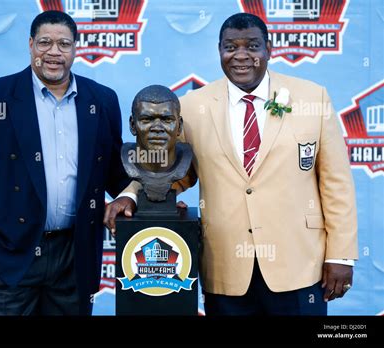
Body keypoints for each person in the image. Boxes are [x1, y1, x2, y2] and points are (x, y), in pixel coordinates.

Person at [105, 12, 358, 315]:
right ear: (219, 50)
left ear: (269, 49)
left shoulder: (312, 98)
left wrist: (341, 256)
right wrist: (130, 194)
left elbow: (336, 183)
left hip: (299, 267)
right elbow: (171, 168)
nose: (240, 56)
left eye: (252, 46)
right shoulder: (193, 106)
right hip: (226, 269)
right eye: (230, 47)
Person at [0, 10, 130, 315]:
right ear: (31, 44)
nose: (54, 53)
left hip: (74, 258)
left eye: (64, 44)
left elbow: (113, 169)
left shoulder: (102, 100)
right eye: (45, 42)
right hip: (4, 255)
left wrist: (138, 196)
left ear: (76, 47)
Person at [120, 85, 192, 202]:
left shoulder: (187, 160)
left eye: (167, 119)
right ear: (133, 125)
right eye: (147, 119)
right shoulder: (127, 160)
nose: (157, 128)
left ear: (179, 126)